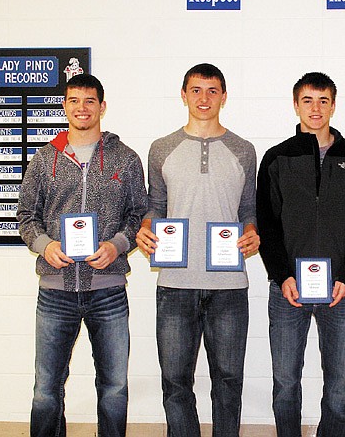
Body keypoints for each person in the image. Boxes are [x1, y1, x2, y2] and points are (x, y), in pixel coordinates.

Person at [17, 73, 148, 437]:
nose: (82, 107)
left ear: (102, 106)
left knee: (114, 387)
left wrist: (117, 245)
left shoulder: (125, 159)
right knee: (46, 390)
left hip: (108, 292)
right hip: (56, 293)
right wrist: (46, 245)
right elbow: (26, 215)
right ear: (64, 106)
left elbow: (140, 214)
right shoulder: (45, 159)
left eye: (90, 100)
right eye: (74, 100)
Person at [136, 63, 259, 437]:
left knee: (228, 381)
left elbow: (248, 211)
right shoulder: (161, 148)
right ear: (184, 95)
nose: (203, 98)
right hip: (175, 283)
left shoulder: (243, 149)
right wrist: (145, 227)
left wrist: (253, 233)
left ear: (224, 96)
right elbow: (154, 206)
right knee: (175, 382)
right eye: (196, 90)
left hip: (229, 286)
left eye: (212, 91)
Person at [256, 72, 345, 437]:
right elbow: (267, 224)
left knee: (338, 388)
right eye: (308, 100)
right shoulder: (277, 157)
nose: (316, 108)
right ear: (296, 105)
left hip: (340, 292)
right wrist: (282, 276)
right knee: (285, 385)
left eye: (323, 100)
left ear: (334, 105)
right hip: (287, 292)